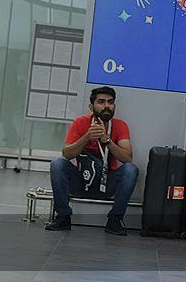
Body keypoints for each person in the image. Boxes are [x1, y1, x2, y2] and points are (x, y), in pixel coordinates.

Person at [45, 86, 138, 236]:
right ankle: (63, 217)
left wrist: (107, 141)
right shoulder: (80, 123)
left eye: (110, 102)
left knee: (131, 169)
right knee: (58, 163)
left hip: (107, 184)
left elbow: (127, 158)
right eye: (101, 102)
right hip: (81, 182)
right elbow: (66, 154)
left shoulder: (120, 125)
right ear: (91, 106)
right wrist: (87, 137)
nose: (106, 106)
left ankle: (115, 220)